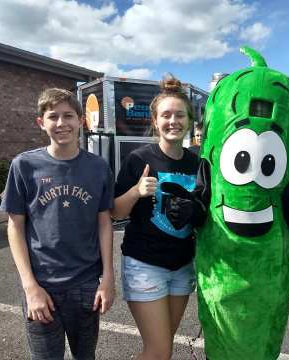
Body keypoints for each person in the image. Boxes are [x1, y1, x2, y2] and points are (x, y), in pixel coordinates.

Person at [0, 88, 115, 359]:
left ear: (81, 121)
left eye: (68, 116)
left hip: (86, 284)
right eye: (53, 117)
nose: (61, 123)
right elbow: (14, 227)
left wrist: (108, 278)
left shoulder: (98, 168)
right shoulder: (24, 166)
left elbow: (104, 223)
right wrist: (30, 287)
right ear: (41, 122)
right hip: (42, 285)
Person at [112, 75, 198, 360]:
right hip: (145, 264)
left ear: (189, 120)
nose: (173, 121)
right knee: (159, 351)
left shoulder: (197, 162)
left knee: (163, 347)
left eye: (179, 115)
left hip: (182, 265)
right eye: (166, 115)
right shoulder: (138, 159)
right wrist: (136, 191)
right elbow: (115, 212)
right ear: (155, 120)